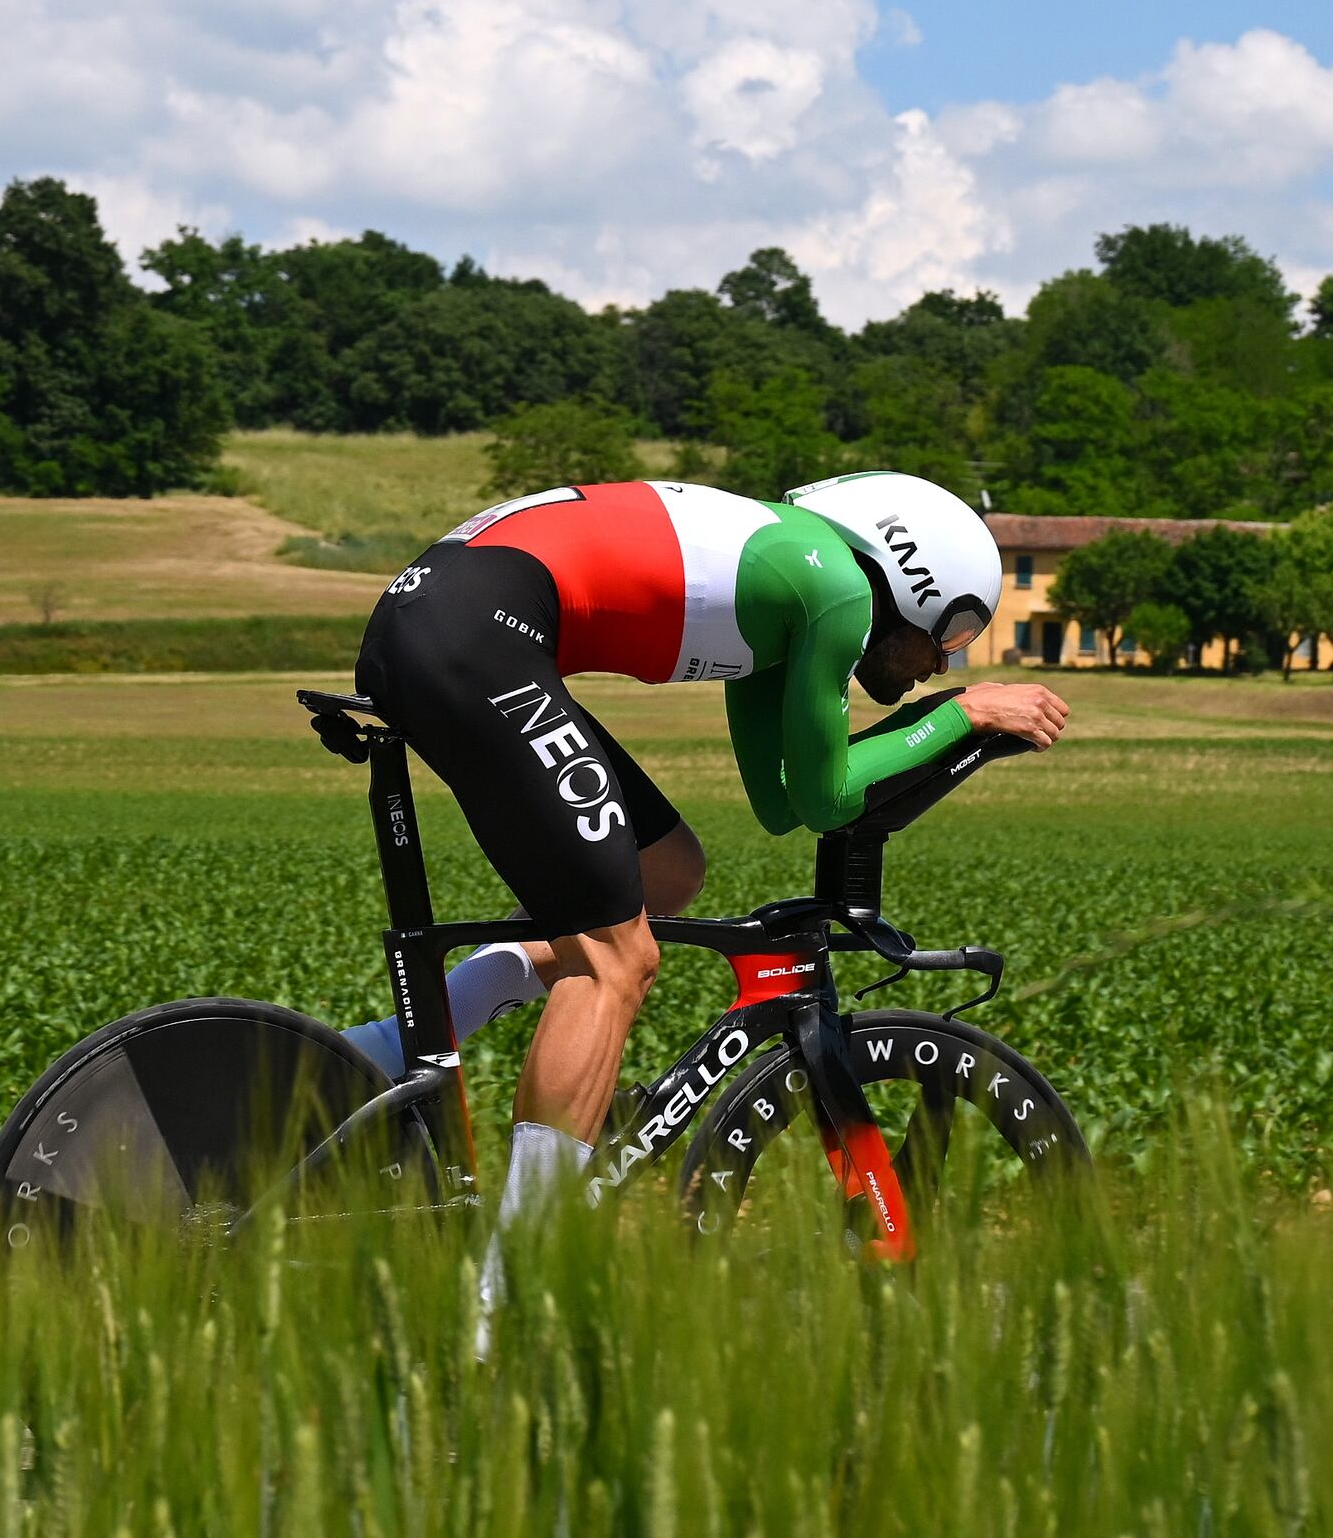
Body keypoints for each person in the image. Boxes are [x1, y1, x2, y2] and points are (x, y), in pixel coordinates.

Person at [344, 469, 1071, 1217]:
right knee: (615, 960)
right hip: (472, 632)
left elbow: (782, 801)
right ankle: (522, 1259)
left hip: (449, 618)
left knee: (666, 871)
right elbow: (826, 800)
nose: (944, 664)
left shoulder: (793, 588)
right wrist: (963, 714)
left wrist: (949, 717)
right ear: (914, 583)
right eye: (952, 634)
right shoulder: (838, 592)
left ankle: (376, 1053)